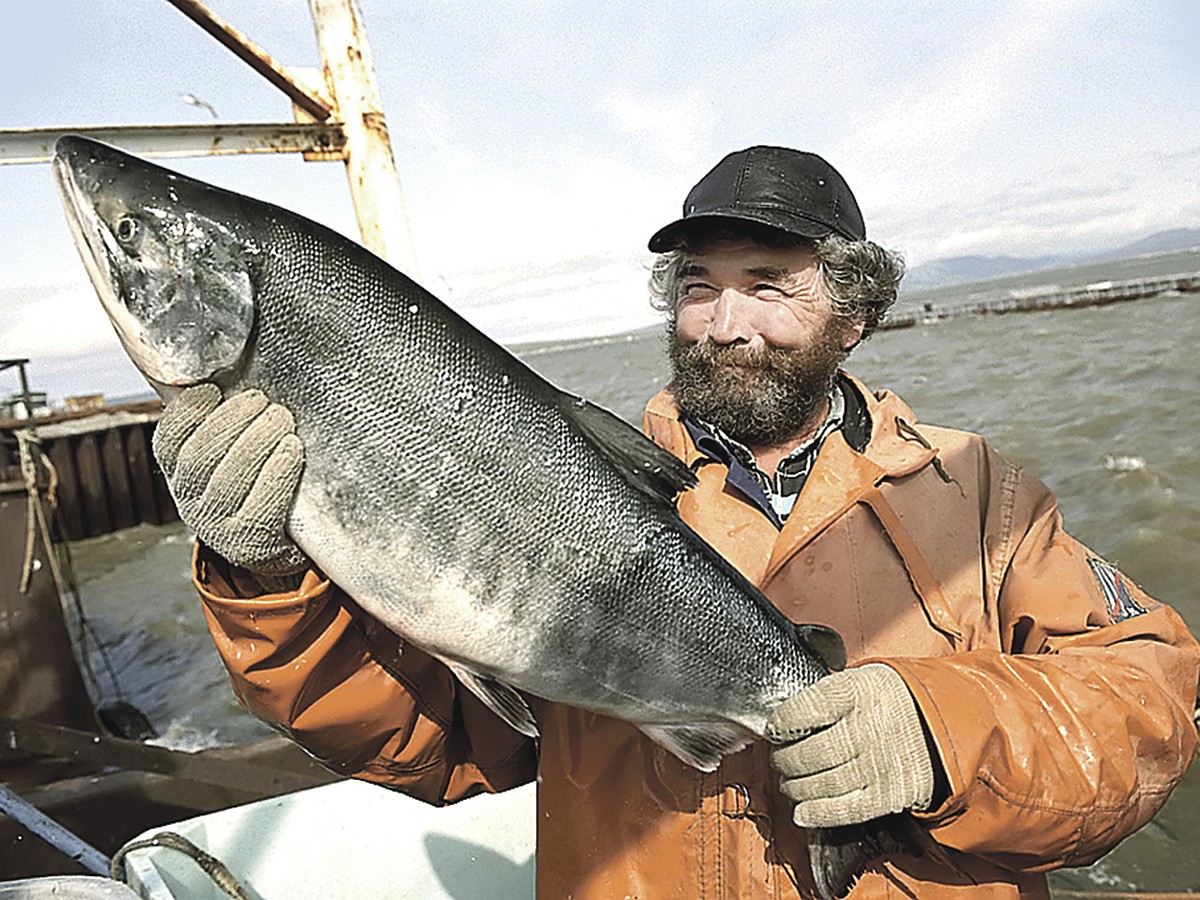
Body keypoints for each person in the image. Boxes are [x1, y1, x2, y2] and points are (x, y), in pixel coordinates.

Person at [154, 145, 1200, 898]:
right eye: (699, 287)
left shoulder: (983, 498)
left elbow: (1150, 697)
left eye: (769, 287)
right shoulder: (549, 488)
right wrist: (269, 577)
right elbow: (434, 743)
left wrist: (939, 734)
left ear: (854, 316)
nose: (726, 322)